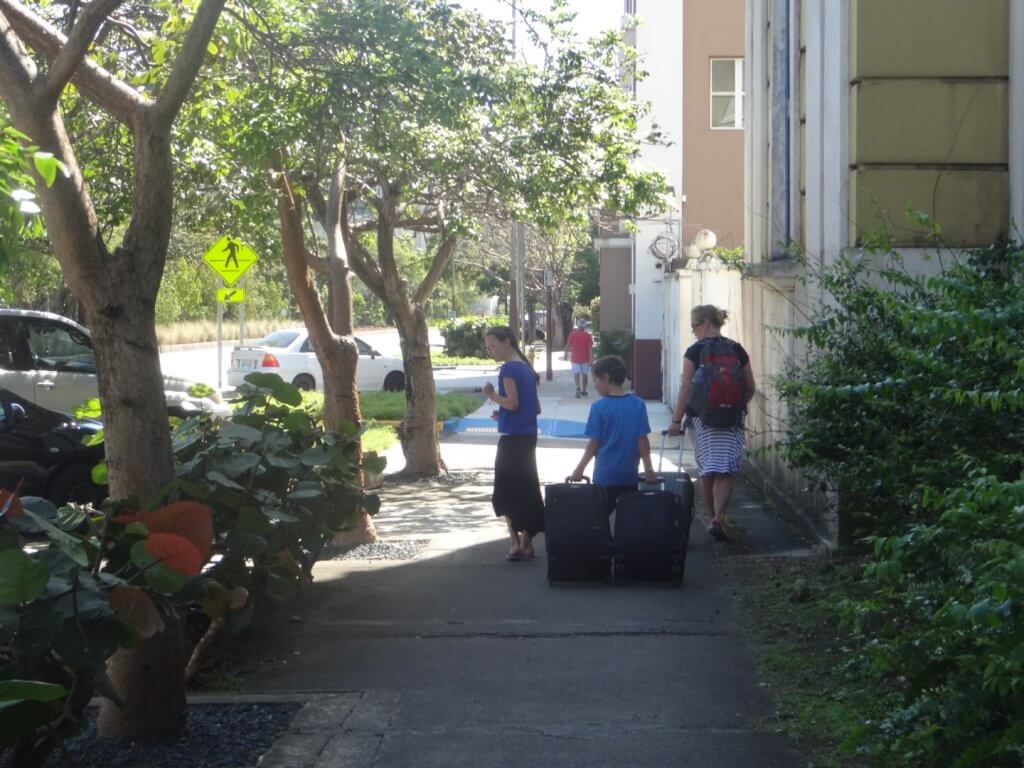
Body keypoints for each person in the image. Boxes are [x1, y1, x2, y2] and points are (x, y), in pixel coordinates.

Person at [667, 305, 756, 541]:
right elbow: (750, 387)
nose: (693, 331)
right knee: (726, 469)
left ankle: (712, 516)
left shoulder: (694, 351)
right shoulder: (737, 350)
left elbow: (686, 387)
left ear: (705, 323)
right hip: (731, 419)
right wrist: (735, 407)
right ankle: (720, 516)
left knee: (708, 468)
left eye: (694, 326)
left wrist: (676, 420)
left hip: (702, 419)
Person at [483, 326, 545, 561]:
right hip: (528, 435)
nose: (491, 351)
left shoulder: (508, 369)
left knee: (506, 490)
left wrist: (491, 395)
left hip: (511, 439)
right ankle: (528, 542)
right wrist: (504, 414)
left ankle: (514, 542)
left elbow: (512, 404)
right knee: (527, 486)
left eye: (493, 345)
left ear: (507, 342)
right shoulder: (526, 368)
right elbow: (534, 408)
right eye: (488, 347)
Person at [570, 356, 658, 516]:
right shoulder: (638, 404)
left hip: (605, 477)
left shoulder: (599, 407)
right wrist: (649, 469)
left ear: (606, 378)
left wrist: (579, 469)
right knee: (627, 521)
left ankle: (605, 541)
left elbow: (594, 444)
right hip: (629, 475)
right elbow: (642, 440)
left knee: (599, 519)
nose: (595, 386)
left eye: (595, 381)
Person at [564, 318, 594, 399]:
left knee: (576, 373)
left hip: (575, 358)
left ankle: (578, 387)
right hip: (585, 358)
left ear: (578, 325)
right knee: (585, 374)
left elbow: (568, 345)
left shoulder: (572, 334)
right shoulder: (588, 335)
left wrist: (565, 354)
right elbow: (591, 348)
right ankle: (584, 390)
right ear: (585, 326)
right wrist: (591, 359)